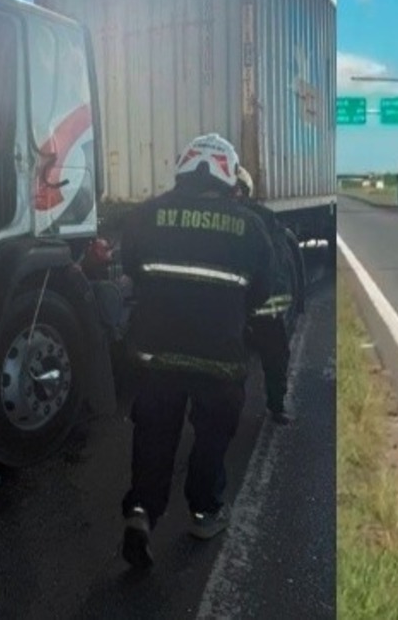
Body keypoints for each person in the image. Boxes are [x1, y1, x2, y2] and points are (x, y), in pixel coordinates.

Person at [118, 133, 278, 569]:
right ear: (228, 177)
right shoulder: (251, 226)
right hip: (220, 358)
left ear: (182, 172)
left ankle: (142, 512)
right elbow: (261, 292)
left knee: (153, 435)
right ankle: (205, 511)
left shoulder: (144, 216)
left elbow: (132, 269)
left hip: (155, 355)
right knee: (211, 439)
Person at [235, 165, 294, 425]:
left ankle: (231, 409)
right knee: (275, 356)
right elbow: (278, 264)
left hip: (229, 307)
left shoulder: (214, 218)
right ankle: (277, 407)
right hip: (262, 305)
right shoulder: (264, 218)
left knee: (229, 360)